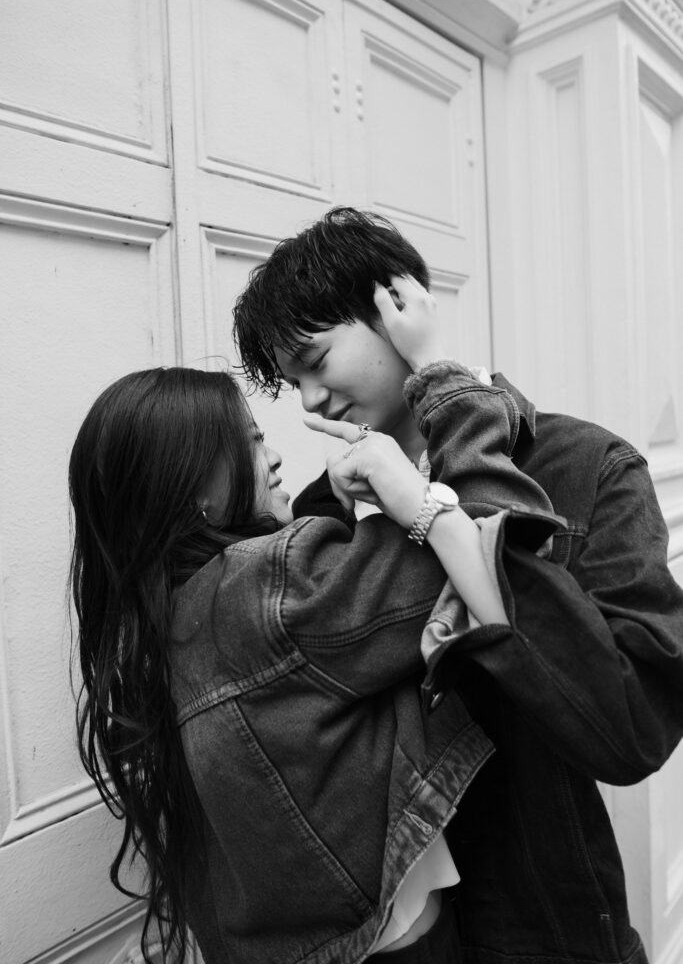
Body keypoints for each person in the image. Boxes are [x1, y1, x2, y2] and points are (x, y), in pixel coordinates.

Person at [232, 206, 683, 964]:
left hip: (547, 933)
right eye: (290, 382)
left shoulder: (585, 467)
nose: (307, 401)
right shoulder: (324, 513)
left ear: (396, 304)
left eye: (315, 360)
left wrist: (434, 507)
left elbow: (630, 729)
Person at [68, 287, 557, 964]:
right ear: (195, 493)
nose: (273, 456)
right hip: (390, 944)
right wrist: (438, 371)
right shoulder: (267, 587)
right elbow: (488, 536)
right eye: (248, 442)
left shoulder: (162, 624)